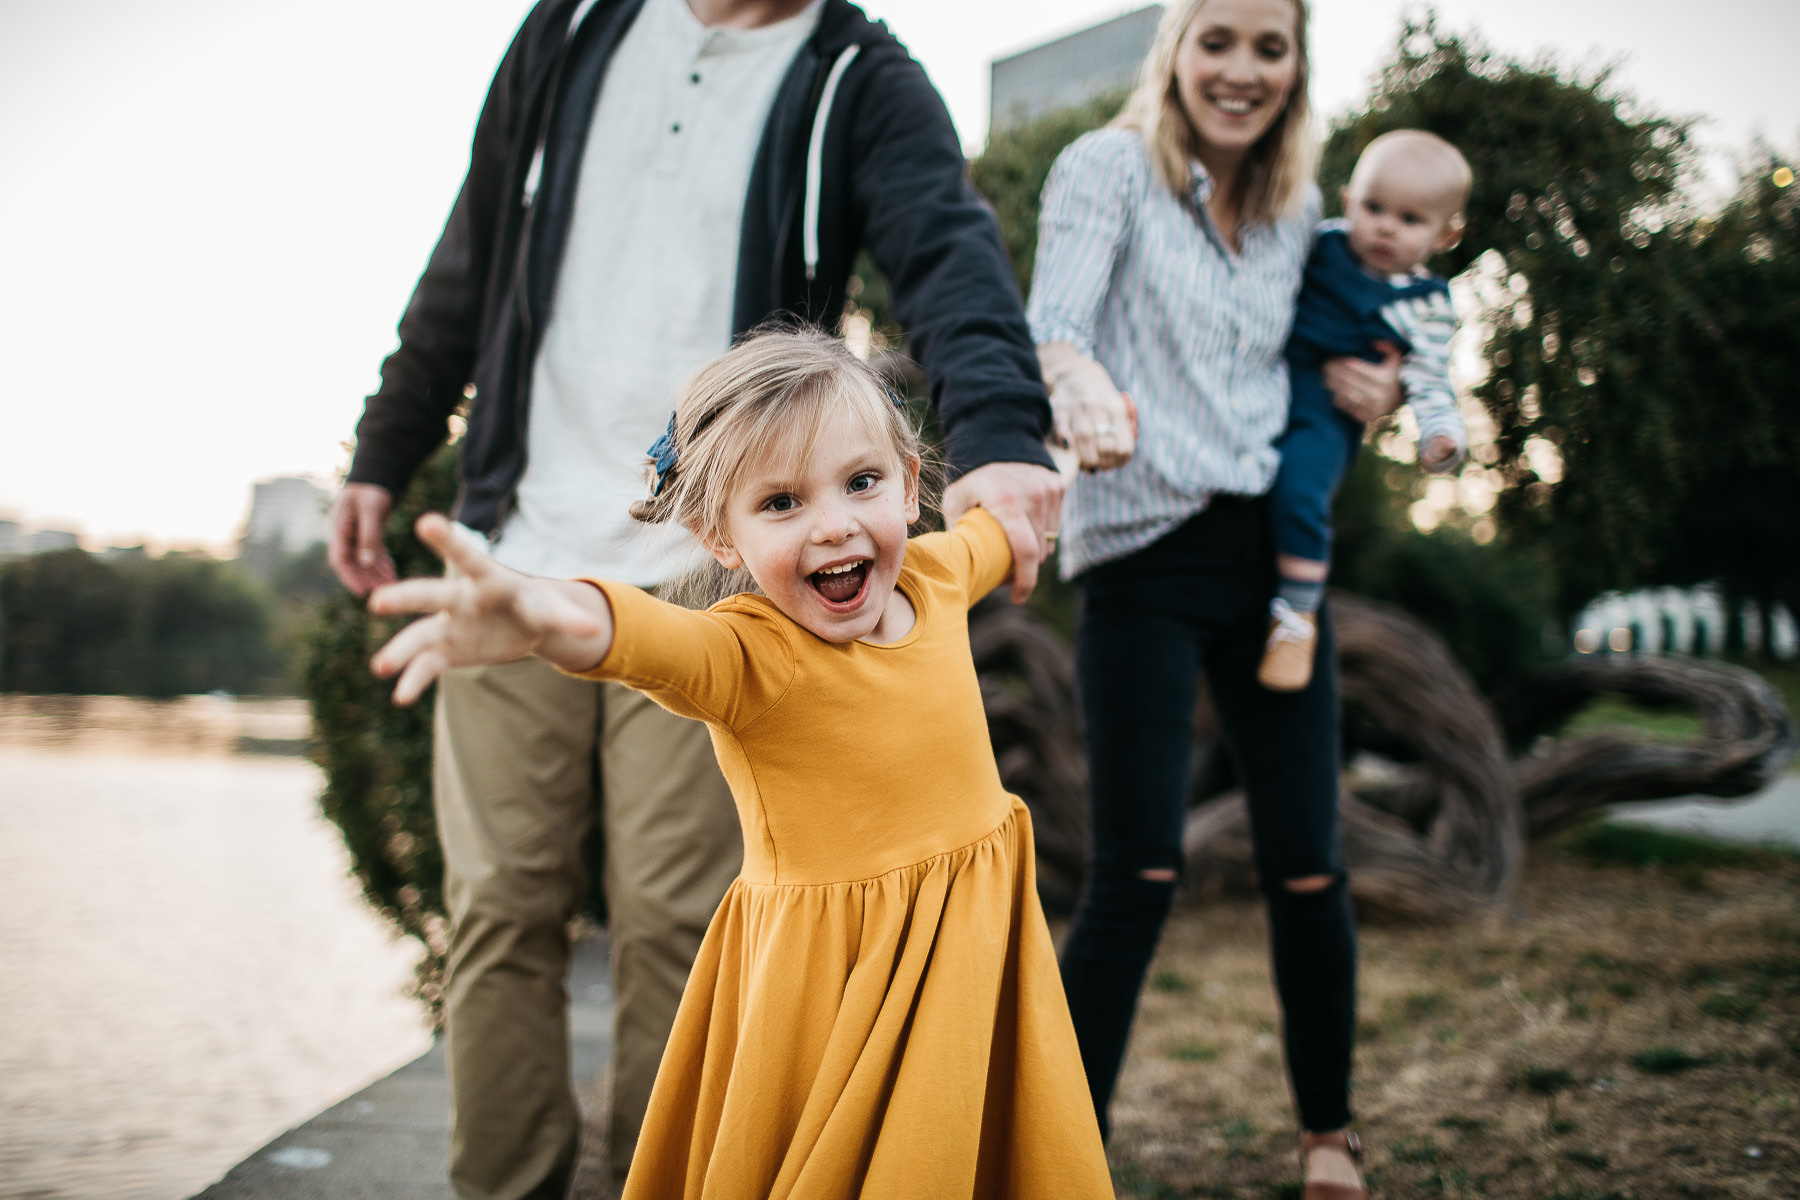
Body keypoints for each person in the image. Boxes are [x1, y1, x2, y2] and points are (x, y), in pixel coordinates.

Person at [324, 0, 1063, 1194]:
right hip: (524, 546)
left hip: (727, 565)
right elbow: (469, 257)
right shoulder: (570, 35)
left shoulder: (853, 74)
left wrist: (1007, 432)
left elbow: (947, 254)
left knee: (676, 922)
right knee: (500, 911)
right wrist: (384, 448)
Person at [367, 329, 1115, 1199]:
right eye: (782, 503)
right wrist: (541, 614)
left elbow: (999, 523)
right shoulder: (750, 657)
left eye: (861, 483)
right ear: (719, 537)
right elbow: (643, 637)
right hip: (833, 998)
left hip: (971, 952)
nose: (834, 523)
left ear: (910, 485)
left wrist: (1062, 446)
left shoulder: (939, 578)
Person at [1025, 1, 1406, 1197]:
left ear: (1296, 68)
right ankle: (1060, 1157)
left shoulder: (1301, 210)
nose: (1242, 70)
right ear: (1177, 50)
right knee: (1137, 869)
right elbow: (1055, 326)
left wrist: (1374, 381)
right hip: (1142, 552)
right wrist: (1077, 384)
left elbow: (1336, 344)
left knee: (1310, 862)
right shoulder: (1108, 169)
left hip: (1274, 568)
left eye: (1270, 46)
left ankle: (1329, 1139)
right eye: (1219, 40)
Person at [1259, 129, 1472, 691]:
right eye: (1374, 208)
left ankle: (1296, 617)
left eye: (1409, 219)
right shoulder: (1322, 243)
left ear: (1445, 233)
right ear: (1349, 199)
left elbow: (1431, 380)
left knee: (1300, 493)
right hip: (1270, 381)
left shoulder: (1425, 305)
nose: (1384, 227)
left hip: (1326, 411)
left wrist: (1440, 438)